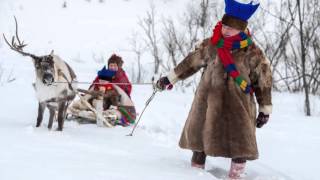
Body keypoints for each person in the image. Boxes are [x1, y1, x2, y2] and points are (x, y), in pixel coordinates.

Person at [156, 0, 272, 179]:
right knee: (200, 140)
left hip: (238, 106)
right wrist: (169, 79)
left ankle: (236, 175)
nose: (225, 30)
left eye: (230, 28)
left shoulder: (252, 52)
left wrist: (265, 109)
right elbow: (190, 63)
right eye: (224, 26)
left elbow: (263, 81)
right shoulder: (212, 44)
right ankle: (194, 174)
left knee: (240, 143)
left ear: (241, 30)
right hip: (207, 103)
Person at [69, 54, 136, 126]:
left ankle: (111, 114)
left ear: (118, 66)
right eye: (111, 65)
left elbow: (125, 90)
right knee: (94, 101)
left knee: (112, 103)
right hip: (101, 99)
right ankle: (84, 107)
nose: (112, 67)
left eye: (115, 66)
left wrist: (111, 88)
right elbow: (94, 86)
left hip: (117, 102)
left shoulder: (121, 76)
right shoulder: (104, 74)